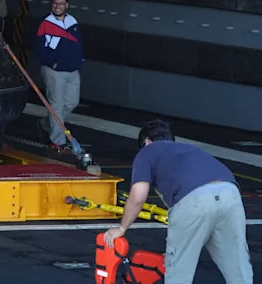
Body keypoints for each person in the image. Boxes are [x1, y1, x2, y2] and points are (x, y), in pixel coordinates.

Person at [104, 120, 253, 284]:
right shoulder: (190, 149)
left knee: (179, 273)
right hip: (230, 194)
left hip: (194, 199)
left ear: (147, 141)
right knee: (237, 265)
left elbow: (137, 197)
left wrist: (121, 228)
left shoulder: (147, 152)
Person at [34, 0, 83, 151]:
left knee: (71, 103)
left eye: (61, 3)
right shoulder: (45, 23)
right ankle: (58, 142)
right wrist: (51, 63)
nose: (58, 6)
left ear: (66, 5)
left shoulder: (72, 21)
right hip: (54, 72)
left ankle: (45, 124)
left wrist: (79, 60)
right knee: (56, 106)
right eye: (55, 3)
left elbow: (78, 43)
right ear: (51, 4)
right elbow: (39, 48)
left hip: (73, 70)